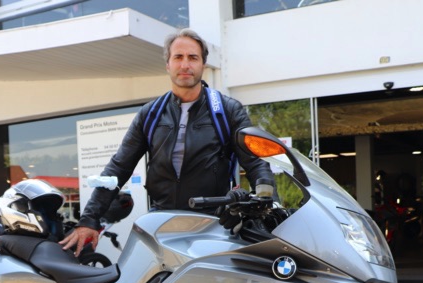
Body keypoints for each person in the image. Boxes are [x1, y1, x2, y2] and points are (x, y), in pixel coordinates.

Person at [60, 28, 275, 256]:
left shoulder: (227, 110)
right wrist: (89, 220)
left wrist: (267, 203)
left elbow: (256, 163)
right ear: (168, 65)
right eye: (178, 57)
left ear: (203, 65)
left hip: (213, 225)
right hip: (161, 222)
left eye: (193, 58)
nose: (185, 65)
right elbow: (118, 167)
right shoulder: (150, 114)